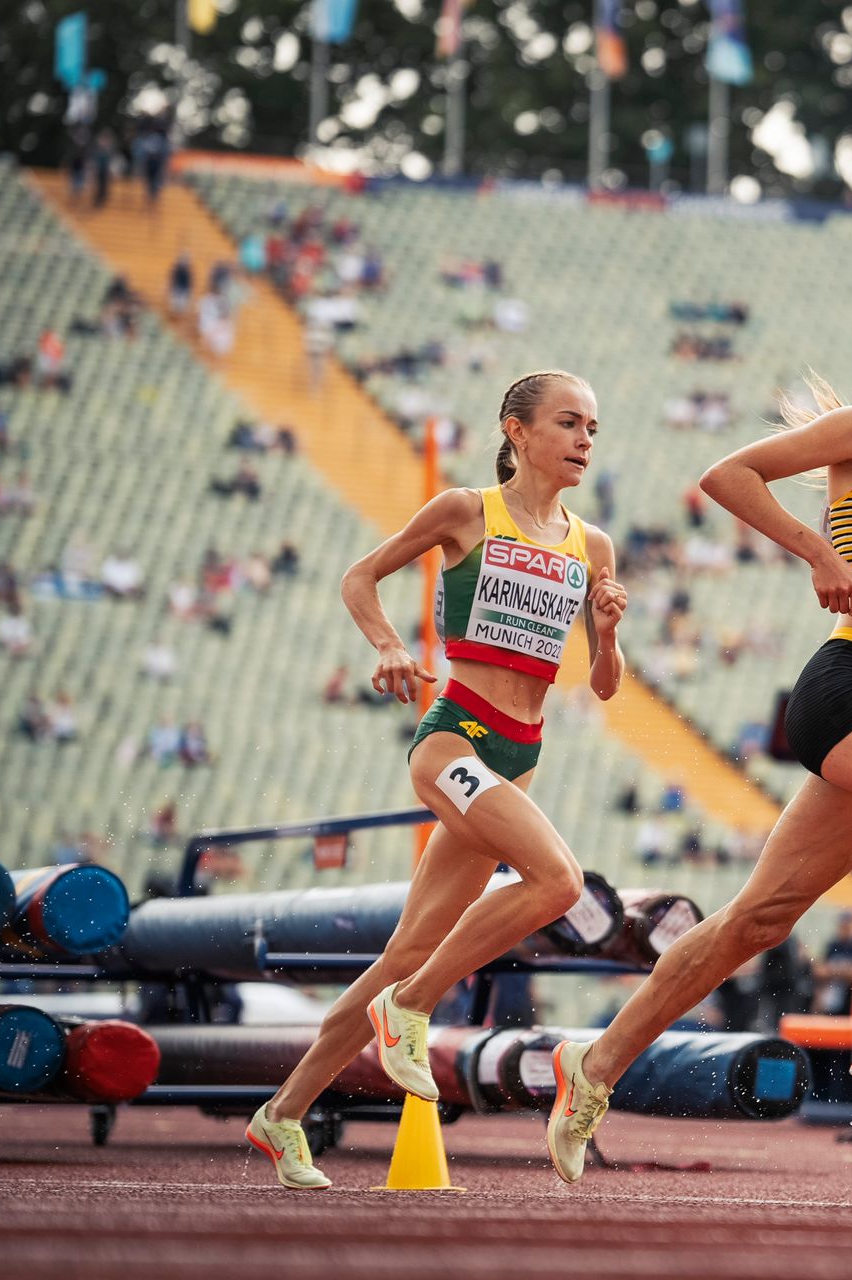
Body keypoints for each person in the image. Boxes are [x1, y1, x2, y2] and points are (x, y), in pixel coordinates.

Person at [543, 286, 852, 1182]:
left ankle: (593, 1067)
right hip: (847, 681)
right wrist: (817, 552)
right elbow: (728, 476)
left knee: (757, 922)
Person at [244, 371, 627, 1190]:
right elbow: (360, 576)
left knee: (402, 954)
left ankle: (281, 1115)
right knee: (557, 882)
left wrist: (606, 632)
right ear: (517, 432)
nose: (586, 439)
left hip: (520, 755)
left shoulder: (592, 546)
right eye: (569, 423)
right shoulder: (464, 511)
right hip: (453, 738)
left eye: (593, 426)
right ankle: (411, 1008)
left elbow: (602, 685)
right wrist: (388, 645)